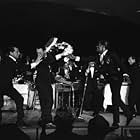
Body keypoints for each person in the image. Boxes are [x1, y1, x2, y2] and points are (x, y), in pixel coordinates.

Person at [32, 37, 73, 126]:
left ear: (43, 51)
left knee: (48, 101)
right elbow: (52, 59)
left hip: (47, 83)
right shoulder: (39, 60)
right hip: (41, 83)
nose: (38, 54)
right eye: (37, 53)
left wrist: (63, 52)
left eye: (40, 52)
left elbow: (54, 59)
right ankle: (46, 120)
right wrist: (62, 53)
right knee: (46, 101)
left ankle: (46, 119)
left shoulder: (47, 56)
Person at [96, 40, 133, 128]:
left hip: (116, 78)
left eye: (98, 46)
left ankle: (116, 122)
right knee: (117, 98)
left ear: (103, 47)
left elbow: (120, 64)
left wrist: (125, 74)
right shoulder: (100, 56)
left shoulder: (112, 54)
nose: (97, 48)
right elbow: (104, 68)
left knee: (115, 99)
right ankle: (128, 114)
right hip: (110, 79)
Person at [0, 45, 26, 126]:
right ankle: (20, 120)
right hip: (3, 86)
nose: (19, 53)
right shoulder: (8, 60)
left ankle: (20, 120)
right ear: (11, 52)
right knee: (18, 99)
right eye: (16, 52)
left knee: (19, 99)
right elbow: (20, 68)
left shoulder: (11, 60)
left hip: (6, 86)